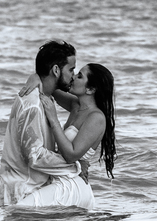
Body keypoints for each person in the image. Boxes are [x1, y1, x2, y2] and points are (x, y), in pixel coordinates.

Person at [0, 41, 92, 210]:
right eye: (71, 70)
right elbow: (35, 155)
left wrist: (35, 76)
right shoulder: (33, 103)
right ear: (56, 70)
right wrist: (75, 166)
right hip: (23, 197)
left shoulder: (45, 97)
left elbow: (81, 105)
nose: (73, 75)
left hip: (34, 193)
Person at [39, 63, 117, 198]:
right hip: (61, 176)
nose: (73, 77)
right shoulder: (76, 105)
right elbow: (48, 85)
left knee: (20, 208)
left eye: (79, 76)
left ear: (90, 89)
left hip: (73, 185)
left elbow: (71, 155)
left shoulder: (96, 117)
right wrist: (33, 79)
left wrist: (53, 119)